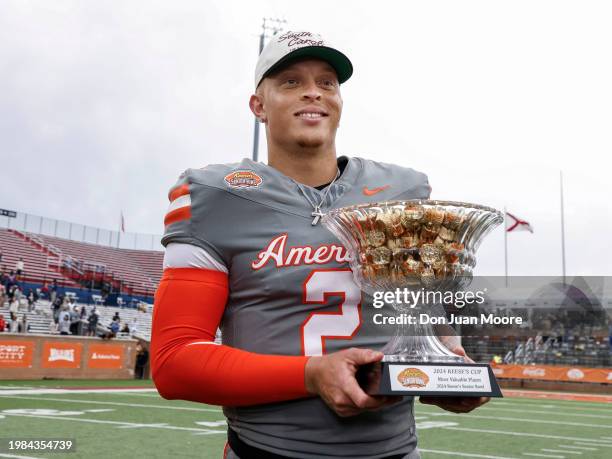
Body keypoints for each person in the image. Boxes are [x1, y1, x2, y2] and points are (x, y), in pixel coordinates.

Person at [151, 30, 488, 459]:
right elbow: (174, 363)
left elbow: (425, 313)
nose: (313, 92)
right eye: (290, 81)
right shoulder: (216, 196)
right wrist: (312, 374)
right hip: (266, 451)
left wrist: (446, 358)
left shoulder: (403, 191)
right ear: (258, 105)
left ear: (339, 102)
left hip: (396, 451)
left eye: (326, 82)